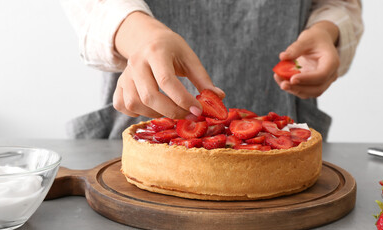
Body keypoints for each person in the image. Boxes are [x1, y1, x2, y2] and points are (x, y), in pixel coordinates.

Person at [61, 0, 363, 140]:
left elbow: (339, 3)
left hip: (286, 130)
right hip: (142, 126)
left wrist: (327, 30)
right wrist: (139, 35)